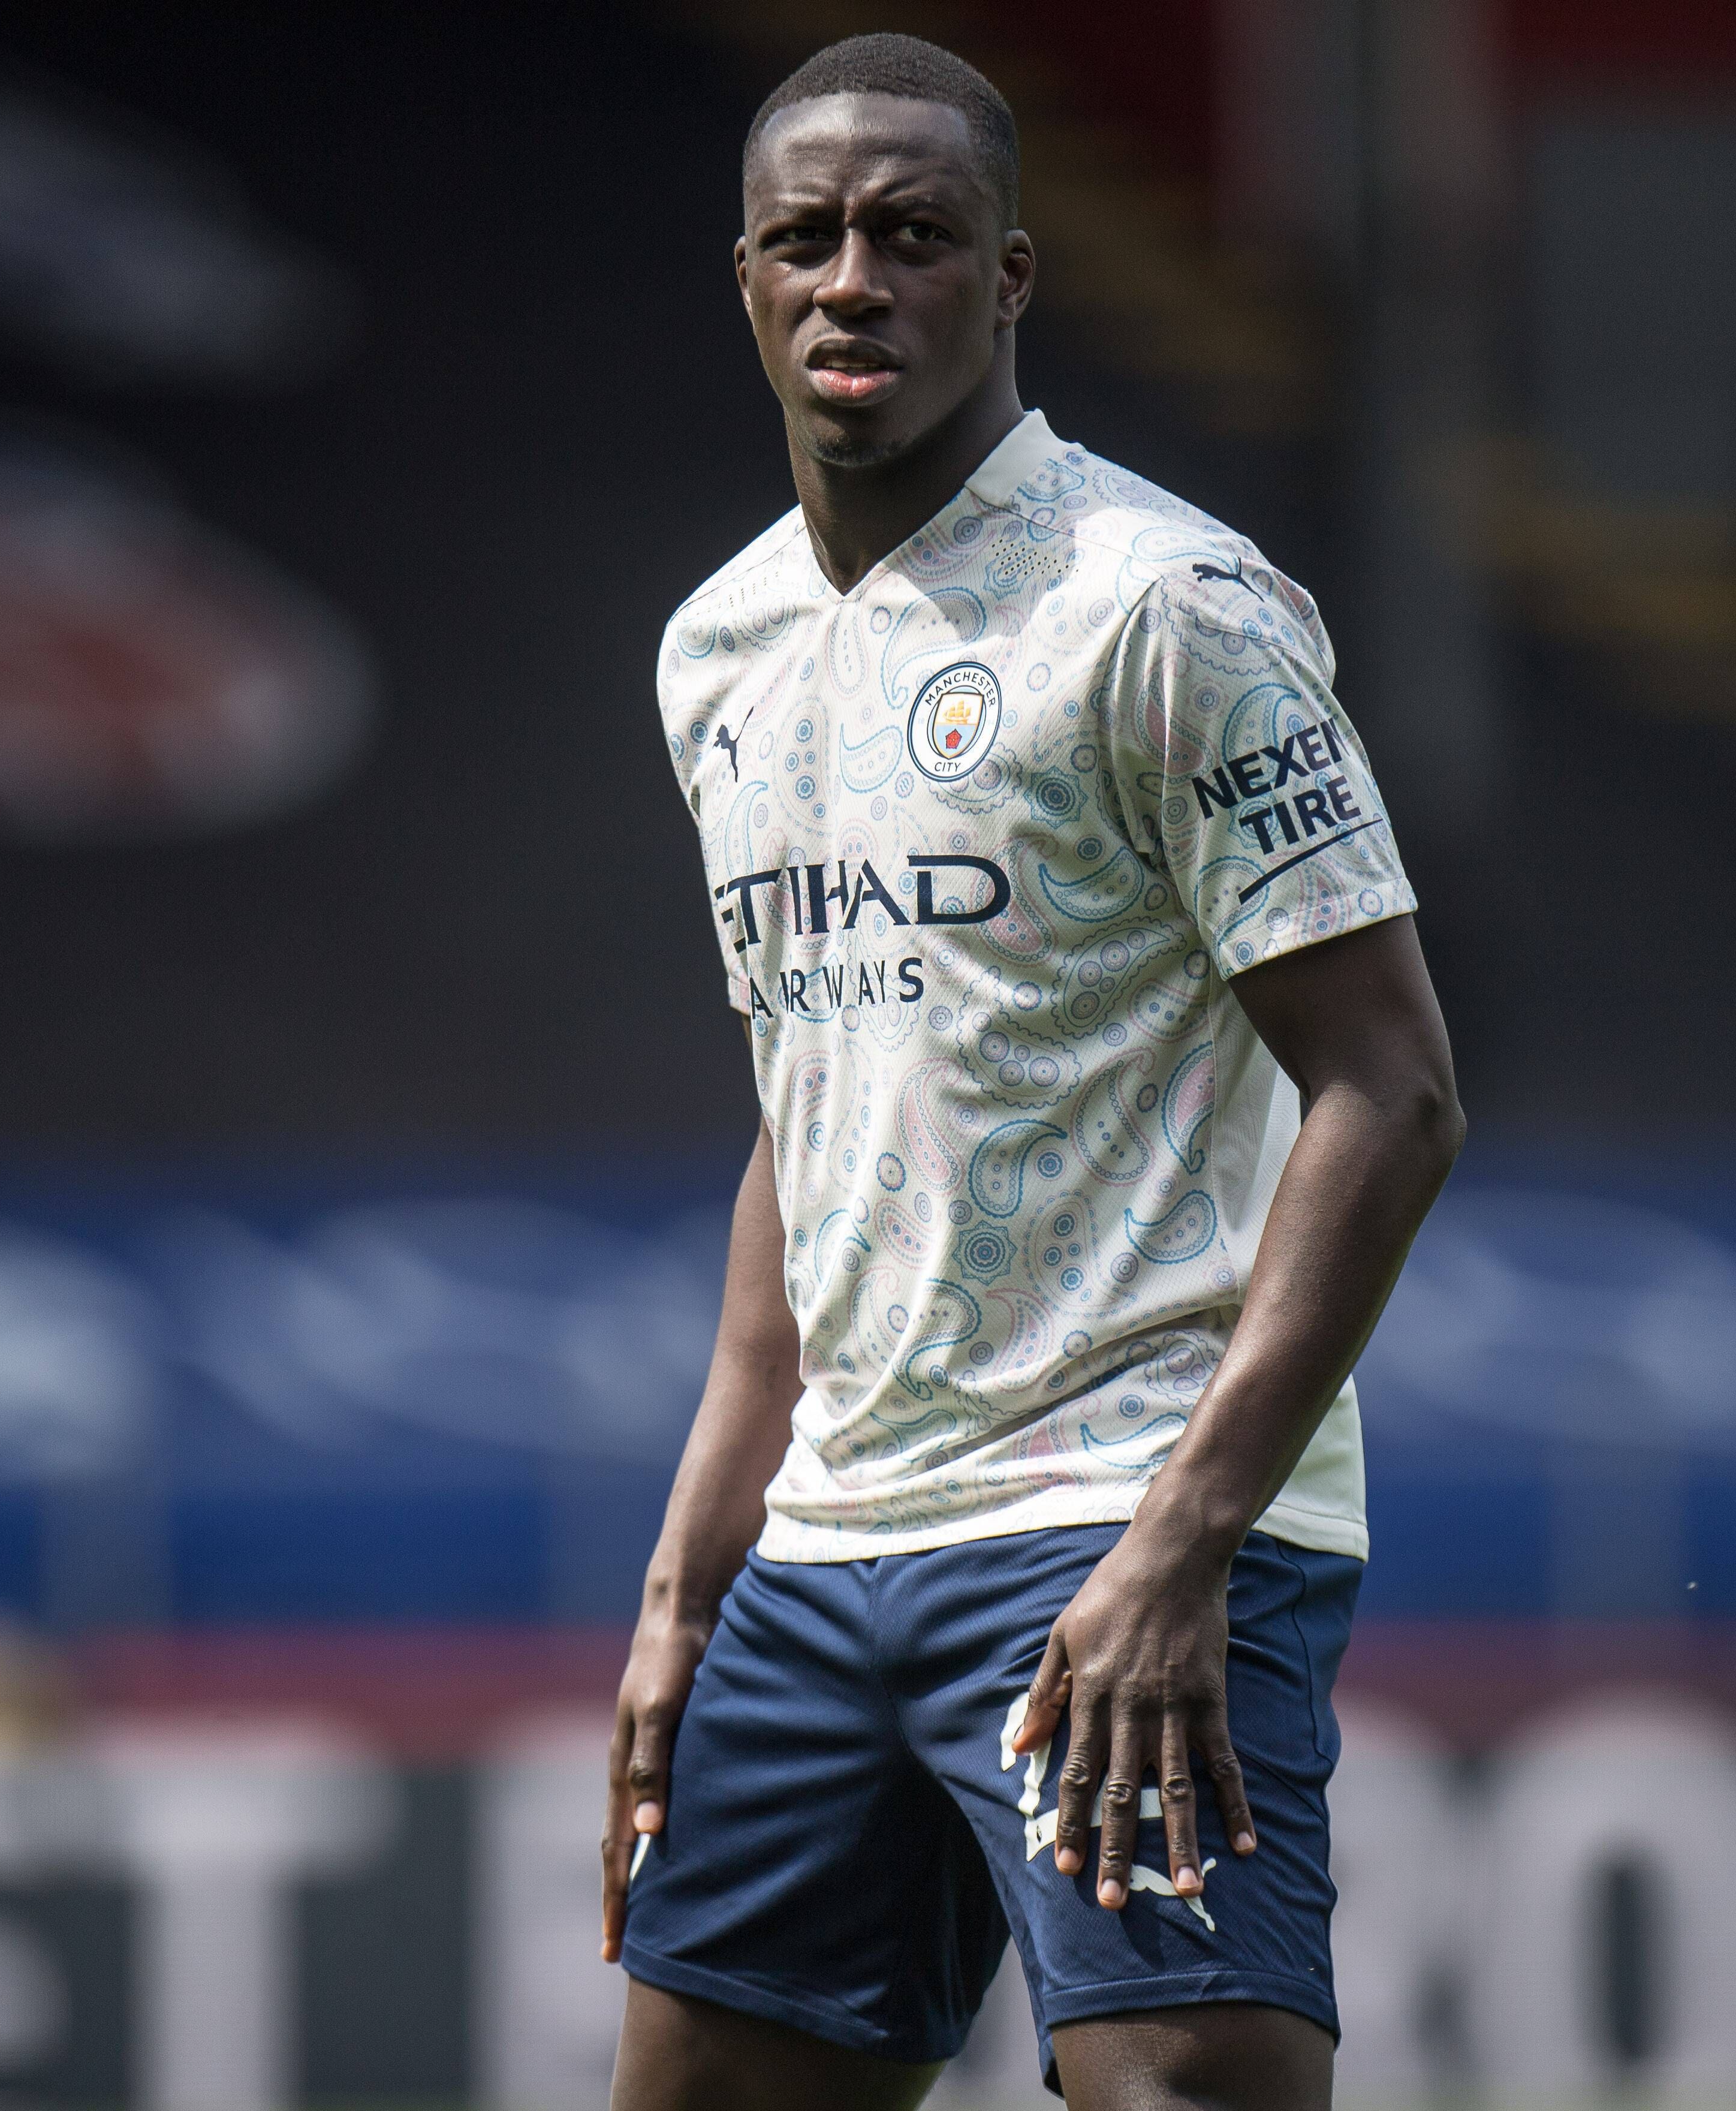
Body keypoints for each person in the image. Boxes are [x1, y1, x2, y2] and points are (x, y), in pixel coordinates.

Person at [604, 33, 1463, 2111]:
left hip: (1118, 1508)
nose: (851, 280)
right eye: (805, 239)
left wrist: (1185, 1536)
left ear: (1007, 278)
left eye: (912, 236)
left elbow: (1392, 1088)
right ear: (744, 280)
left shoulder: (1164, 608)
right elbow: (812, 1115)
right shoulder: (718, 651)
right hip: (832, 1541)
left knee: (1179, 2087)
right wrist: (686, 1583)